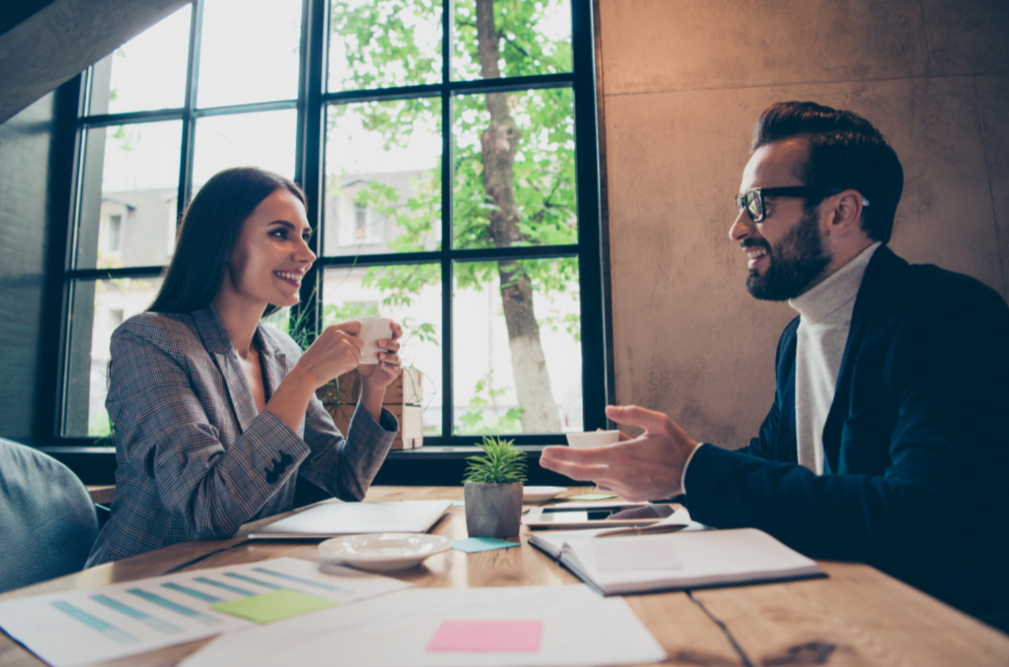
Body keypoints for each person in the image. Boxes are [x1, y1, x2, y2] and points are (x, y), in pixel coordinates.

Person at [540, 101, 1009, 626]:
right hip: (825, 612)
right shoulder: (797, 337)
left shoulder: (947, 315)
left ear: (842, 212)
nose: (737, 228)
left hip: (935, 634)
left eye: (758, 203)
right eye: (742, 204)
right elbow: (774, 465)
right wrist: (667, 489)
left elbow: (927, 529)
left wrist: (691, 469)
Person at [86, 167, 402, 566]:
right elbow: (208, 510)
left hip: (243, 573)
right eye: (280, 233)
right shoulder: (149, 342)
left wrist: (373, 389)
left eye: (304, 236)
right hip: (145, 582)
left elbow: (347, 479)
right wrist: (304, 378)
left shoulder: (281, 349)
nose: (307, 254)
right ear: (223, 243)